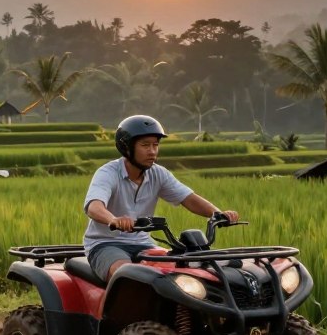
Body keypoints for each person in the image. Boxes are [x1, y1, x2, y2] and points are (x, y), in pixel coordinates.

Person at [83, 115, 239, 282]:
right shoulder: (107, 173)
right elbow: (94, 206)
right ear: (126, 147)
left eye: (155, 145)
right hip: (105, 244)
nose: (152, 151)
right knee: (128, 275)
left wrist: (218, 214)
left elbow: (189, 199)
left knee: (179, 272)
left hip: (143, 244)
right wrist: (113, 219)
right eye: (145, 145)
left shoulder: (158, 173)